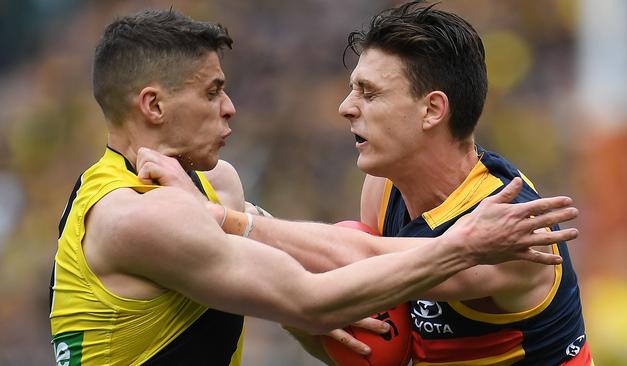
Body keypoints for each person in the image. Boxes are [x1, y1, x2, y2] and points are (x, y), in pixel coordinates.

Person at [48, 8, 580, 366]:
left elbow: (355, 287)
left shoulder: (514, 231)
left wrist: (229, 221)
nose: (346, 107)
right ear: (153, 105)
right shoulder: (141, 214)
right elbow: (316, 297)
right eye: (214, 92)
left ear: (432, 110)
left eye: (368, 93)